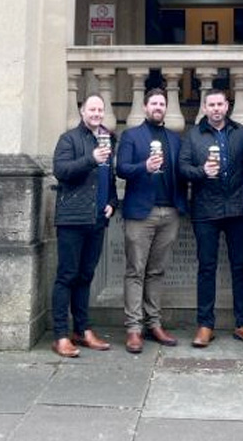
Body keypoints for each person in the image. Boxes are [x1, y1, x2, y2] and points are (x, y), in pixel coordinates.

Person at [179, 89, 243, 348]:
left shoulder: (240, 133)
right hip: (205, 210)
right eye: (211, 105)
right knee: (206, 268)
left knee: (240, 267)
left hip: (237, 209)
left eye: (220, 104)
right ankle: (205, 325)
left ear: (227, 106)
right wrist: (202, 171)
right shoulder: (193, 135)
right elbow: (182, 168)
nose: (216, 109)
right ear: (204, 108)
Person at [117, 88, 187, 353]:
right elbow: (121, 169)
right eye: (154, 103)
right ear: (145, 107)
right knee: (135, 270)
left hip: (169, 212)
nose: (158, 107)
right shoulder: (131, 136)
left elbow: (183, 171)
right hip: (141, 214)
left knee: (157, 271)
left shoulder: (175, 138)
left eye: (162, 104)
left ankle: (154, 324)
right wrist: (144, 167)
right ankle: (134, 329)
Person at [50, 93, 118, 358]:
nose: (96, 114)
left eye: (100, 110)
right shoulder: (68, 139)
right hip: (72, 218)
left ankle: (82, 329)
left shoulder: (108, 138)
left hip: (97, 219)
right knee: (67, 276)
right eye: (92, 109)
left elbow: (108, 177)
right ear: (82, 111)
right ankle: (60, 335)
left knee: (86, 276)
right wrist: (91, 158)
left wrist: (112, 201)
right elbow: (61, 171)